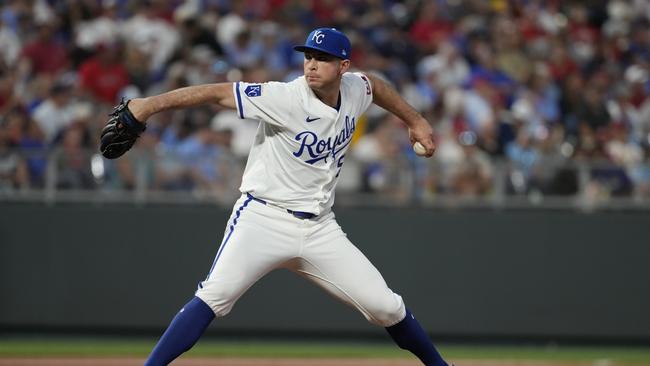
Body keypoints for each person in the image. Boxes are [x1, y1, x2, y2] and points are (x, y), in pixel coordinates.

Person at [124, 28, 449, 366]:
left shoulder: (354, 88)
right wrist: (148, 105)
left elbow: (377, 86)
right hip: (263, 218)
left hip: (321, 228)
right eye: (308, 56)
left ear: (343, 67)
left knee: (387, 306)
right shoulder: (283, 97)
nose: (311, 64)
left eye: (322, 59)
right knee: (214, 297)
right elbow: (216, 93)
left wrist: (416, 119)